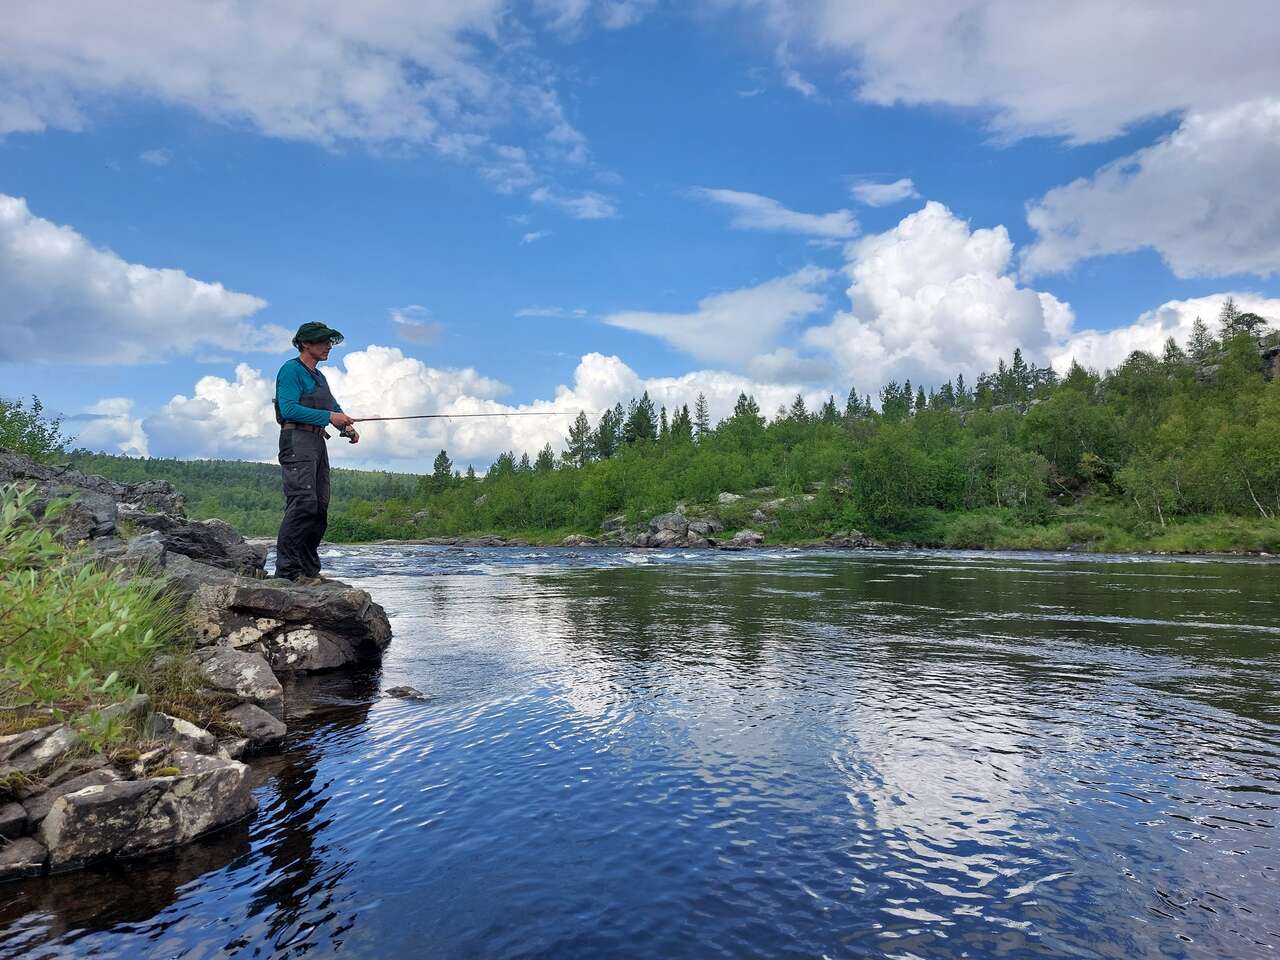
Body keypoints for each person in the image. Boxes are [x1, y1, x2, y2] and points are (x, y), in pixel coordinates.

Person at [273, 322, 359, 582]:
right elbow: (288, 409)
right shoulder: (290, 370)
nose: (329, 346)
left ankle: (309, 570)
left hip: (316, 443)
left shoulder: (320, 377)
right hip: (295, 440)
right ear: (305, 344)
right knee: (303, 503)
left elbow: (333, 407)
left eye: (329, 341)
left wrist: (348, 428)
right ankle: (287, 572)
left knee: (319, 506)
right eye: (323, 342)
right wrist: (330, 416)